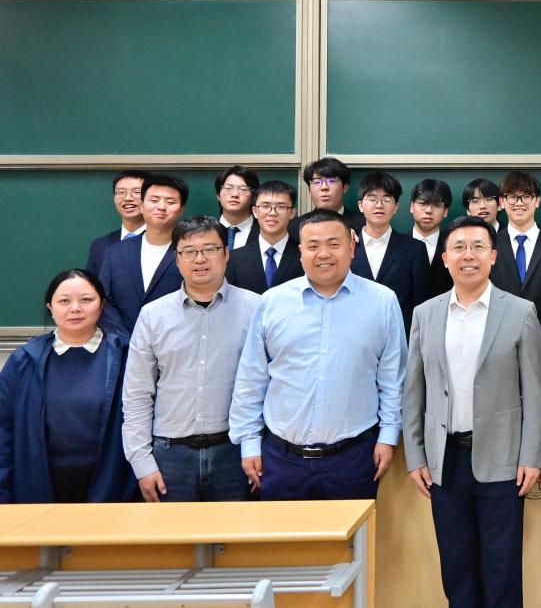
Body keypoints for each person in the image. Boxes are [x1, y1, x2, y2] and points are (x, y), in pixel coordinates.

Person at [402, 216, 541, 608]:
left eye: (478, 247)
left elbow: (535, 392)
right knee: (457, 568)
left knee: (502, 570)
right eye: (460, 247)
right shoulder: (425, 314)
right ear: (445, 258)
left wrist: (532, 456)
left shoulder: (520, 312)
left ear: (493, 256)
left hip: (503, 460)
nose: (469, 256)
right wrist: (415, 455)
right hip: (444, 461)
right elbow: (414, 391)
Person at [229, 209, 406, 500]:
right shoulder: (272, 302)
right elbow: (251, 378)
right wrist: (249, 442)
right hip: (280, 458)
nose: (323, 253)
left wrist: (388, 437)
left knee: (353, 533)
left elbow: (393, 379)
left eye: (334, 244)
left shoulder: (382, 301)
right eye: (313, 246)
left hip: (354, 456)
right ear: (300, 252)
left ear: (352, 247)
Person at [123, 216, 260, 502]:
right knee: (174, 533)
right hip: (170, 455)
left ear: (226, 254)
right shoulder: (152, 315)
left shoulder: (256, 308)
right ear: (177, 259)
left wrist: (254, 446)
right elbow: (137, 394)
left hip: (235, 452)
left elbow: (266, 386)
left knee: (235, 532)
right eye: (189, 251)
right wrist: (142, 462)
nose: (200, 259)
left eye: (210, 249)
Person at [0, 270, 136, 503]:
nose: (75, 308)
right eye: (64, 301)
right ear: (51, 308)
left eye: (86, 299)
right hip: (39, 478)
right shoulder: (24, 360)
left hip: (112, 477)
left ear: (102, 305)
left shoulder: (126, 355)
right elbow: (4, 428)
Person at [490, 172, 541, 374]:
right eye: (512, 197)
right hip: (498, 345)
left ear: (537, 201)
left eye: (526, 196)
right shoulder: (490, 244)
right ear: (502, 202)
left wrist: (537, 335)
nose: (519, 203)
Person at [98, 173, 188, 333]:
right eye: (154, 200)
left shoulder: (191, 253)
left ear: (181, 209)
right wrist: (127, 341)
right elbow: (105, 301)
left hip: (176, 341)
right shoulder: (115, 253)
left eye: (170, 202)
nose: (161, 207)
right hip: (123, 343)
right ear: (141, 205)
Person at [351, 171, 428, 331]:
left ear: (396, 207)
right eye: (372, 199)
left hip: (398, 335)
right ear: (360, 205)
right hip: (353, 333)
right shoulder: (347, 247)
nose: (379, 205)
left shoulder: (415, 249)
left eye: (386, 199)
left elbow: (420, 304)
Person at [225, 180, 303, 294]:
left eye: (281, 207)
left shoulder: (304, 255)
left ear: (292, 213)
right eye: (265, 206)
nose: (272, 213)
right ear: (254, 211)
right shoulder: (235, 259)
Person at [86, 169, 150, 275]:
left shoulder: (165, 241)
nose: (127, 198)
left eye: (136, 192)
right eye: (121, 192)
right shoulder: (100, 245)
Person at [409, 178, 454, 300]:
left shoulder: (454, 247)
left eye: (436, 205)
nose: (428, 210)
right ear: (412, 207)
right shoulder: (396, 245)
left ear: (445, 211)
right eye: (422, 203)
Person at [215, 165, 260, 250]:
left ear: (253, 197)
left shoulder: (266, 233)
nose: (234, 194)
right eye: (228, 188)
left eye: (242, 189)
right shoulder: (204, 232)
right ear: (218, 195)